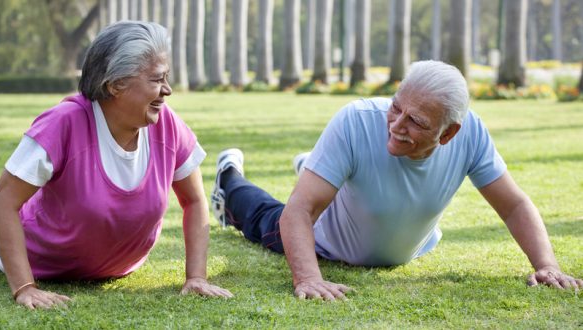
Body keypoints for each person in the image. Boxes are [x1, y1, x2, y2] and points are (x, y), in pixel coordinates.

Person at [210, 60, 583, 300]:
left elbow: (514, 204)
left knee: (324, 184)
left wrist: (546, 264)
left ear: (448, 133)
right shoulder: (356, 120)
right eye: (395, 107)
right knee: (262, 217)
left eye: (416, 122)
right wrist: (308, 278)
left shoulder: (471, 135)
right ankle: (229, 176)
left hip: (397, 239)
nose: (396, 126)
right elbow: (299, 211)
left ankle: (322, 168)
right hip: (326, 240)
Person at [0, 21, 232, 309]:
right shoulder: (63, 123)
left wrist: (197, 277)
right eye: (156, 79)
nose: (167, 90)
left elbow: (194, 200)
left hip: (117, 266)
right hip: (38, 256)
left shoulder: (167, 125)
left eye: (166, 77)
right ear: (116, 84)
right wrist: (25, 287)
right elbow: (5, 202)